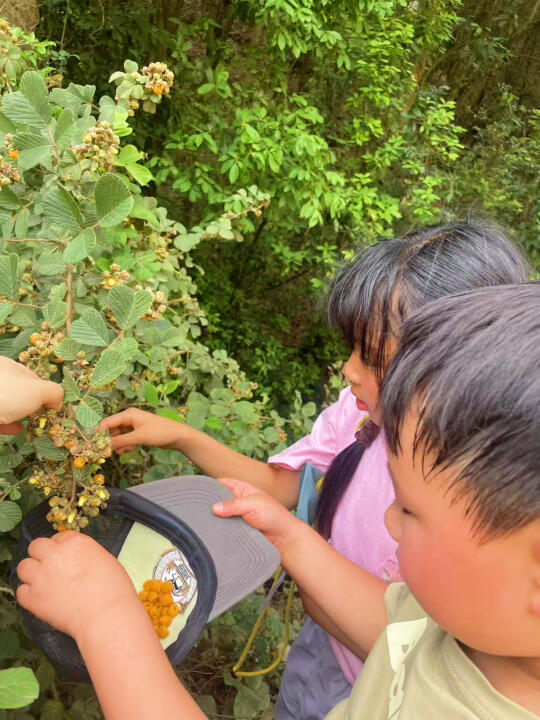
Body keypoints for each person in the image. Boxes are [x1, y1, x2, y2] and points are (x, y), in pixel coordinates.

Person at [16, 281, 540, 720]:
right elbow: (398, 632)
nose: (390, 520)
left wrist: (108, 619)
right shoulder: (477, 632)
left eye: (409, 510)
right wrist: (289, 536)